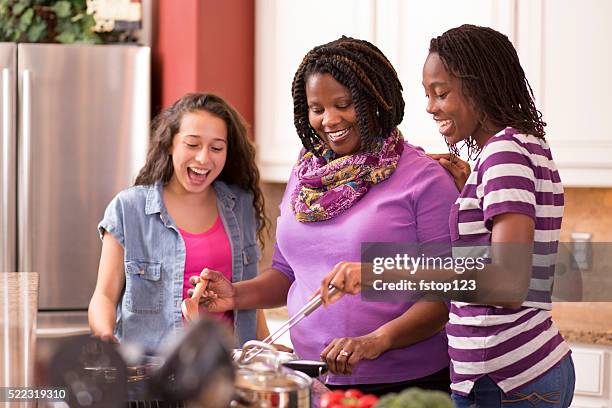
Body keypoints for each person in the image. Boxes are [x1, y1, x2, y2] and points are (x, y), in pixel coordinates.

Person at [319, 25, 575, 407]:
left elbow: (507, 283)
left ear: (480, 87)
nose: (430, 106)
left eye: (441, 93)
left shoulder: (505, 154)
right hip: (518, 373)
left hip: (507, 380)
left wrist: (377, 273)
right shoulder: (523, 147)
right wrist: (471, 192)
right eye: (428, 95)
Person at [192, 36, 459, 396]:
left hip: (405, 385)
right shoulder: (306, 175)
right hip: (314, 381)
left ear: (375, 100)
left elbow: (445, 293)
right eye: (317, 108)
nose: (329, 120)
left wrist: (376, 341)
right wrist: (235, 296)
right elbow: (289, 273)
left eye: (343, 104)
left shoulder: (424, 177)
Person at [88, 93, 271, 351]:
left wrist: (267, 347)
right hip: (151, 371)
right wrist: (106, 338)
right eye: (192, 144)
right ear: (170, 144)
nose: (203, 159)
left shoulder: (240, 205)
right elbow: (104, 295)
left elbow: (249, 298)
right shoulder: (129, 209)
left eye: (216, 148)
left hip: (230, 370)